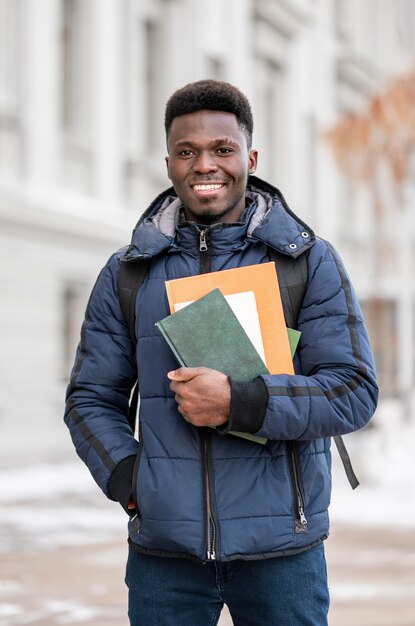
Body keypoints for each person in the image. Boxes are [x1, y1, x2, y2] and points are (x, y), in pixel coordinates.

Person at [64, 79, 378, 625]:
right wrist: (130, 481)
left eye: (222, 150)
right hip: (166, 558)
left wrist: (241, 402)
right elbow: (90, 398)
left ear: (250, 158)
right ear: (168, 163)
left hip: (284, 551)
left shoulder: (305, 263)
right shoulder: (128, 273)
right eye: (187, 151)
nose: (204, 164)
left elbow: (353, 391)